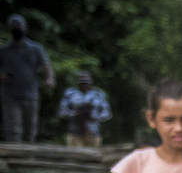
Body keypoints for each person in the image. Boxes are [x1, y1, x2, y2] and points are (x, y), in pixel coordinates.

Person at [0, 13, 54, 143]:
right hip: (10, 95)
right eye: (14, 26)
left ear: (25, 28)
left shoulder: (35, 49)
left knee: (30, 129)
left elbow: (46, 66)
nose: (16, 29)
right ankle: (14, 157)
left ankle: (29, 157)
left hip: (30, 93)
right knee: (13, 129)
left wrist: (49, 79)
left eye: (18, 26)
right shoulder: (4, 50)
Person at [58, 70, 112, 146]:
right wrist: (74, 114)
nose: (84, 85)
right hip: (75, 133)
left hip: (93, 132)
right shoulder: (70, 94)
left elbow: (107, 113)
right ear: (77, 82)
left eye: (86, 82)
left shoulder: (98, 94)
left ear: (91, 82)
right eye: (82, 82)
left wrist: (95, 117)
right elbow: (62, 112)